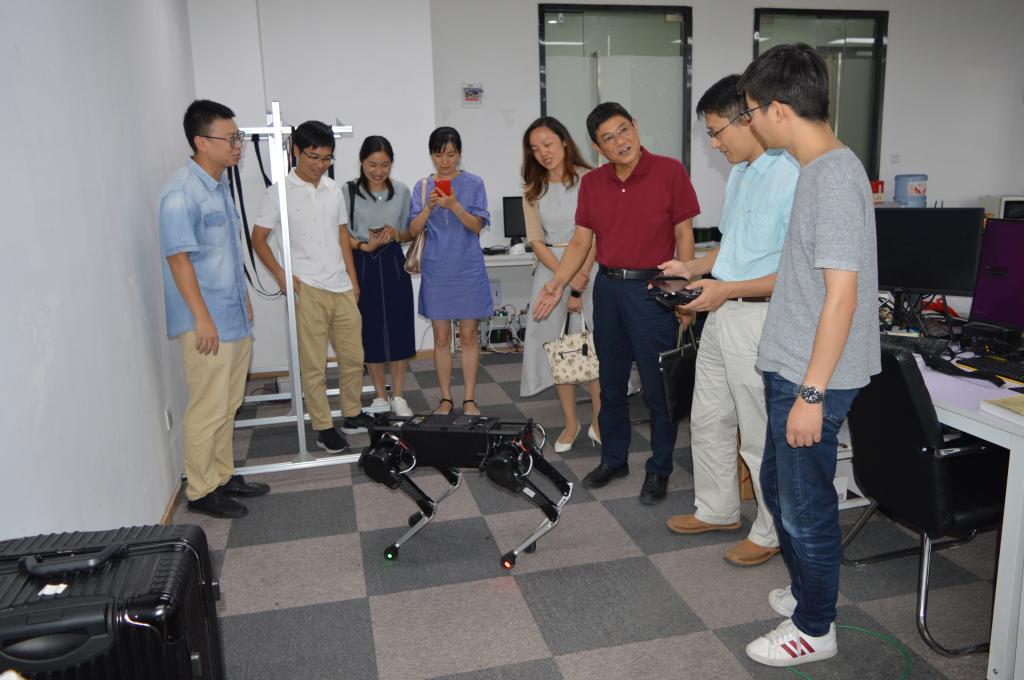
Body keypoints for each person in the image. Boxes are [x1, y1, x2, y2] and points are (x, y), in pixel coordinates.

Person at [736, 44, 880, 667]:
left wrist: (812, 394)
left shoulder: (835, 177)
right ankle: (806, 592)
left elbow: (843, 298)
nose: (749, 124)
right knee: (778, 485)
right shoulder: (816, 170)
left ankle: (816, 628)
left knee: (805, 506)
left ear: (778, 109)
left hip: (810, 376)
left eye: (750, 113)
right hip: (794, 364)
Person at [660, 75, 799, 567]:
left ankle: (770, 530)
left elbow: (795, 271)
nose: (714, 144)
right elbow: (735, 247)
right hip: (722, 310)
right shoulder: (741, 172)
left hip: (759, 318)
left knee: (759, 431)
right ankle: (717, 509)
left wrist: (727, 289)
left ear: (749, 118)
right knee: (709, 417)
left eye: (717, 132)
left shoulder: (792, 175)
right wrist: (692, 268)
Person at [534, 102, 700, 505]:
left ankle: (659, 468)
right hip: (607, 290)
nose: (619, 141)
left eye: (624, 130)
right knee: (609, 384)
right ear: (597, 147)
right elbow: (581, 241)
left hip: (653, 290)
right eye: (608, 138)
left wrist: (684, 292)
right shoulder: (593, 183)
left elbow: (684, 236)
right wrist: (557, 283)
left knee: (658, 387)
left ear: (635, 126)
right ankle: (614, 458)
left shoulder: (669, 171)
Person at [159, 99, 269, 519]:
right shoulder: (180, 194)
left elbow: (223, 254)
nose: (238, 145)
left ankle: (222, 476)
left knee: (228, 402)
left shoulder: (218, 184)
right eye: (231, 138)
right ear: (201, 141)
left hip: (231, 315)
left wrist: (244, 298)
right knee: (208, 406)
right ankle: (202, 490)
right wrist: (202, 318)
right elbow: (179, 260)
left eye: (238, 137)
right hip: (206, 322)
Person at [252, 120, 371, 454]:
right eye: (314, 157)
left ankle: (352, 413)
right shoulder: (278, 192)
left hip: (341, 285)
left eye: (327, 158)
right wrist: (281, 274)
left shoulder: (333, 189)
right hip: (307, 287)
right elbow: (258, 238)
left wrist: (353, 279)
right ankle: (323, 426)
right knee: (314, 364)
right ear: (296, 151)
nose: (321, 164)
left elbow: (342, 234)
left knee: (354, 357)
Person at [519, 116, 601, 452]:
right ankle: (570, 423)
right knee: (558, 348)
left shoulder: (590, 180)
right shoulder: (532, 189)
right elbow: (536, 240)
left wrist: (580, 276)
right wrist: (563, 276)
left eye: (548, 144)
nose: (543, 153)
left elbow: (597, 233)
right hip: (550, 273)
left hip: (591, 268)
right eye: (535, 148)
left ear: (564, 142)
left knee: (593, 347)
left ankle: (600, 420)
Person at [408, 127, 491, 416]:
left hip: (467, 267)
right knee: (441, 337)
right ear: (431, 155)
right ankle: (445, 398)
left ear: (459, 154)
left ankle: (469, 398)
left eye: (451, 154)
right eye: (438, 154)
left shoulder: (474, 183)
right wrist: (428, 208)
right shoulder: (422, 187)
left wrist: (454, 205)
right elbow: (412, 230)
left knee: (468, 335)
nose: (445, 161)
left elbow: (477, 226)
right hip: (436, 269)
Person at [345, 136, 415, 418]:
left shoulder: (401, 191)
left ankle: (398, 395)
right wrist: (364, 245)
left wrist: (396, 233)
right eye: (372, 164)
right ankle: (379, 395)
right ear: (362, 162)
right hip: (363, 260)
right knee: (370, 329)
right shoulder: (348, 191)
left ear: (392, 164)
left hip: (393, 260)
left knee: (399, 327)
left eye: (384, 165)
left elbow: (410, 232)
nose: (378, 171)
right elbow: (341, 234)